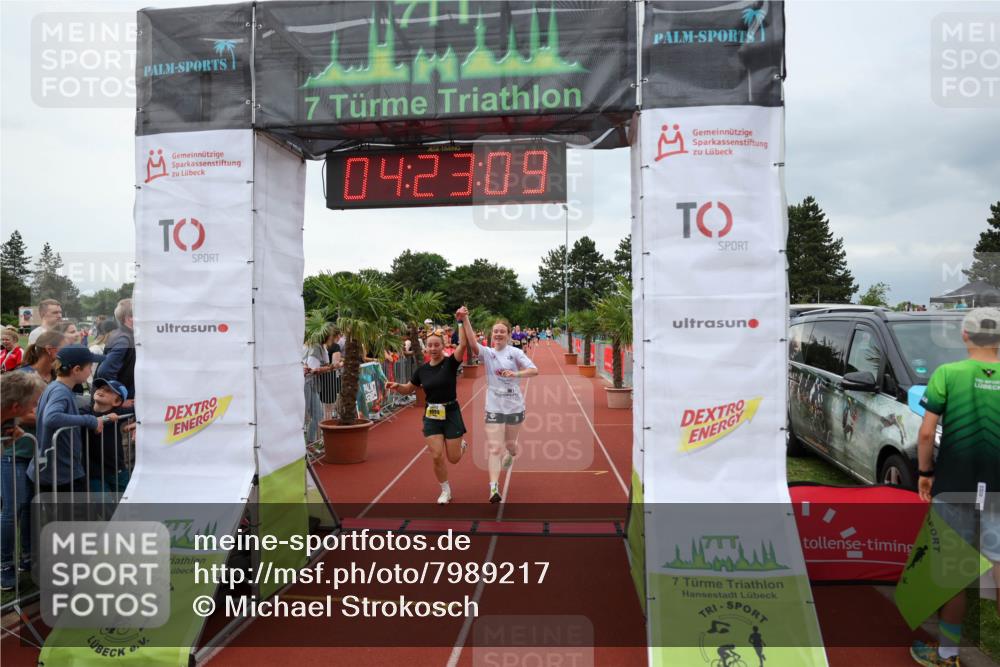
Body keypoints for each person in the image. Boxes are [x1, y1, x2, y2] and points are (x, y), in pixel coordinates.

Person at [910, 308, 1000, 667]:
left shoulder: (947, 374)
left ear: (965, 335)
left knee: (955, 573)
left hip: (955, 485)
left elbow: (927, 433)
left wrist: (924, 473)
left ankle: (947, 654)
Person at [386, 317, 469, 505]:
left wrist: (461, 322)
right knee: (437, 455)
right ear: (426, 348)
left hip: (451, 412)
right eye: (430, 345)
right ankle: (445, 490)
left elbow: (463, 344)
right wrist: (397, 385)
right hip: (432, 415)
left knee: (453, 458)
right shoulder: (421, 370)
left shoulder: (450, 363)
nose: (433, 348)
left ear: (443, 346)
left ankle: (461, 446)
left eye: (436, 345)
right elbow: (409, 388)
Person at [459, 307, 538, 503]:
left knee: (510, 445)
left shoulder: (515, 353)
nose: (499, 334)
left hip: (514, 406)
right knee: (495, 448)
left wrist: (516, 374)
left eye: (502, 331)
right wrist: (464, 318)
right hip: (493, 406)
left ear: (509, 335)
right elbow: (471, 341)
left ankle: (512, 452)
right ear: (492, 335)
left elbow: (534, 370)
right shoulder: (487, 353)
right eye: (496, 331)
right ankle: (493, 487)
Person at [29, 345, 115, 495]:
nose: (90, 371)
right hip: (61, 473)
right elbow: (52, 417)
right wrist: (90, 420)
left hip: (57, 470)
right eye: (89, 367)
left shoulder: (55, 387)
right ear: (76, 370)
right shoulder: (60, 391)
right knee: (74, 517)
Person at [0, 371, 47, 590]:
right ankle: (5, 565)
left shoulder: (9, 419)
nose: (36, 409)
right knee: (12, 510)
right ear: (17, 406)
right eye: (35, 403)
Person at [83, 379, 130, 493]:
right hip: (94, 473)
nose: (101, 391)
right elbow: (78, 418)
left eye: (108, 391)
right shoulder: (84, 411)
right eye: (100, 388)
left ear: (117, 401)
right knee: (104, 507)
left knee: (126, 503)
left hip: (117, 469)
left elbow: (140, 410)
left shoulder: (119, 413)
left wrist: (138, 425)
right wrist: (104, 419)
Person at [95, 299, 135, 405]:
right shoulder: (124, 339)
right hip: (114, 409)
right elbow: (104, 371)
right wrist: (120, 398)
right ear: (129, 318)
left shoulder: (126, 336)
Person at [303, 332, 335, 441]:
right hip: (306, 384)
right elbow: (313, 370)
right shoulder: (315, 347)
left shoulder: (319, 347)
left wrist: (331, 367)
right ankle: (305, 444)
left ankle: (310, 442)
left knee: (318, 414)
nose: (333, 337)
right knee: (304, 415)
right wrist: (331, 367)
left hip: (312, 384)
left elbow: (323, 365)